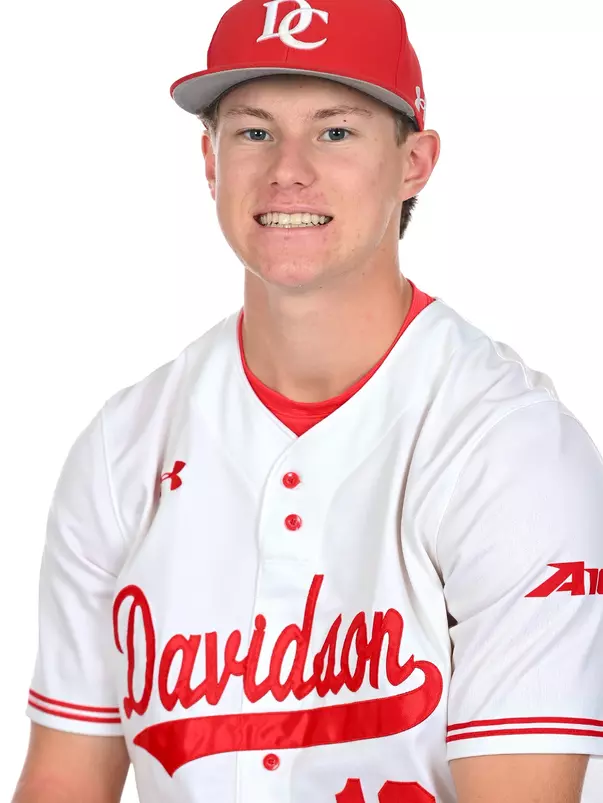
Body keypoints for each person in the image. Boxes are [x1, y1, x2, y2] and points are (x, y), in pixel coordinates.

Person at [12, 0, 603, 801]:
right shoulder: (125, 445)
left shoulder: (506, 446)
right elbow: (63, 780)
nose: (287, 168)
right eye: (253, 131)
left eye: (335, 130)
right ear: (209, 159)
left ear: (414, 162)